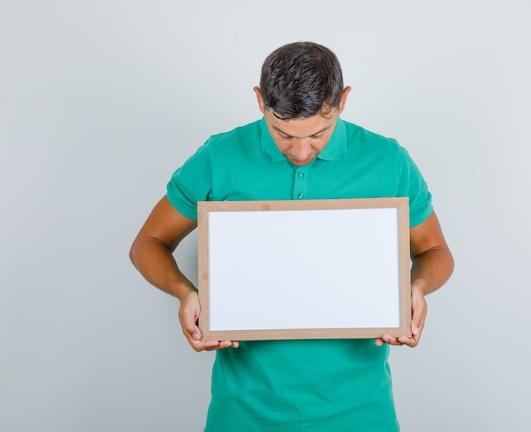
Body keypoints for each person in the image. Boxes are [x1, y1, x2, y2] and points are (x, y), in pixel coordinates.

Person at [129, 41, 453, 431]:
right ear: (259, 100)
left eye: (319, 133)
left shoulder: (388, 160)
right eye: (282, 133)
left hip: (360, 410)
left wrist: (416, 287)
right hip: (245, 411)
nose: (301, 151)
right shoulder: (220, 155)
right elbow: (149, 243)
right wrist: (186, 293)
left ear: (343, 101)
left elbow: (435, 250)